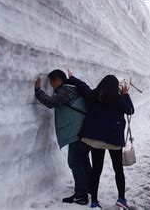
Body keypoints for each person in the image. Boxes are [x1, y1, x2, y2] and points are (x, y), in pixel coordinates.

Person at [68, 72, 134, 209]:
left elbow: (83, 87)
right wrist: (125, 94)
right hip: (114, 140)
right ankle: (121, 198)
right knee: (118, 170)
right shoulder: (118, 99)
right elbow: (130, 110)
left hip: (95, 140)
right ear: (116, 86)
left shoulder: (93, 95)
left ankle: (95, 201)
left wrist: (72, 78)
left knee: (96, 170)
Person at [34, 69, 91, 205]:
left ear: (58, 80)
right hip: (84, 131)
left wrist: (38, 90)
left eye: (51, 82)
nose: (52, 86)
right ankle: (89, 187)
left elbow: (51, 102)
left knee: (75, 162)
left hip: (77, 133)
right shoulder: (73, 88)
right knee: (83, 161)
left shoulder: (65, 90)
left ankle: (81, 195)